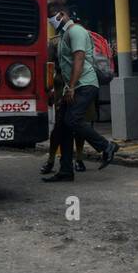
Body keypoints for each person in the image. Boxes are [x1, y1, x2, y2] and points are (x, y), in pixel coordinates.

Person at [41, 0, 118, 182]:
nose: (50, 21)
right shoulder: (63, 35)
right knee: (62, 127)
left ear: (62, 15)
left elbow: (79, 59)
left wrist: (72, 86)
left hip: (85, 84)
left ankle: (106, 146)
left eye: (52, 17)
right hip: (74, 85)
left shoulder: (76, 31)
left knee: (72, 120)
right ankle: (66, 170)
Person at [40, 36, 85, 174]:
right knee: (59, 126)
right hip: (63, 85)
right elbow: (49, 65)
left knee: (79, 124)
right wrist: (49, 89)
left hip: (81, 83)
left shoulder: (84, 37)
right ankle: (52, 159)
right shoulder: (55, 42)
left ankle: (78, 158)